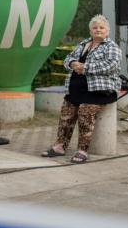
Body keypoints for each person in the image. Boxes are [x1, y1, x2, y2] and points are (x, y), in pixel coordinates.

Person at [41, 15, 121, 163]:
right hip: (77, 90)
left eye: (101, 28)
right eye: (95, 27)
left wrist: (85, 67)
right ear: (90, 31)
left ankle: (82, 150)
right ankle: (59, 146)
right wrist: (72, 64)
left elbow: (111, 65)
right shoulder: (83, 44)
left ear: (107, 31)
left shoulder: (111, 47)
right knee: (66, 114)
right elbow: (68, 58)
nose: (98, 30)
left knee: (85, 113)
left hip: (99, 91)